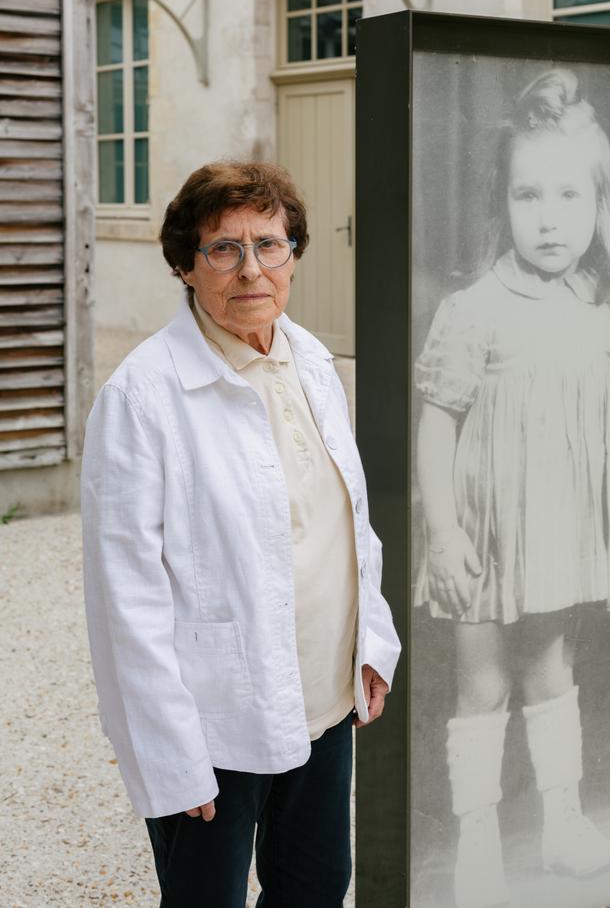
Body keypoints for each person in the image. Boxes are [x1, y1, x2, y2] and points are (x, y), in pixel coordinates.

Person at [82, 160, 401, 907]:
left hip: (324, 701)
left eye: (270, 244)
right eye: (224, 248)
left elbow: (347, 520)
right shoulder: (142, 396)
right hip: (216, 722)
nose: (250, 269)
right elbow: (123, 598)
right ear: (186, 266)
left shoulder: (311, 359)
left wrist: (371, 640)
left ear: (293, 254)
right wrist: (170, 751)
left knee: (316, 887)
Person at [415, 69, 610, 908]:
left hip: (561, 525)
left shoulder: (608, 307)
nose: (549, 217)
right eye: (529, 196)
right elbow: (438, 423)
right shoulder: (473, 310)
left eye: (568, 195)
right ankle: (477, 846)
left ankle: (562, 827)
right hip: (485, 530)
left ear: (601, 205)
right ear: (503, 205)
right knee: (482, 682)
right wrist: (445, 533)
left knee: (553, 668)